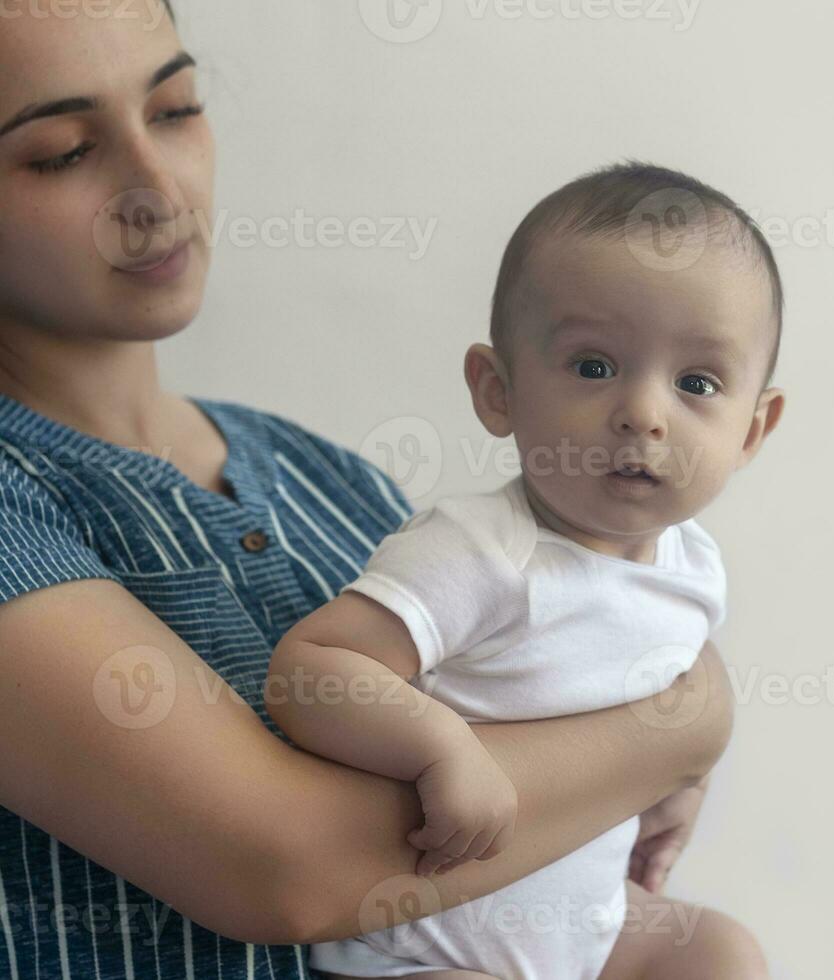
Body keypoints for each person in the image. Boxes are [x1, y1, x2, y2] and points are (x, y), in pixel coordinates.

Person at [0, 4, 737, 978]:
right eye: (61, 152)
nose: (157, 187)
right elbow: (282, 866)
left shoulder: (321, 470)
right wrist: (687, 723)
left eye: (177, 107)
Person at [269, 163, 785, 979]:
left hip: (575, 933)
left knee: (720, 954)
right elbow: (312, 671)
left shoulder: (693, 567)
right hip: (415, 952)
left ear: (753, 429)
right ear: (498, 391)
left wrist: (685, 777)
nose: (643, 413)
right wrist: (442, 749)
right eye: (593, 367)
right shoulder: (478, 549)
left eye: (696, 383)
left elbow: (659, 678)